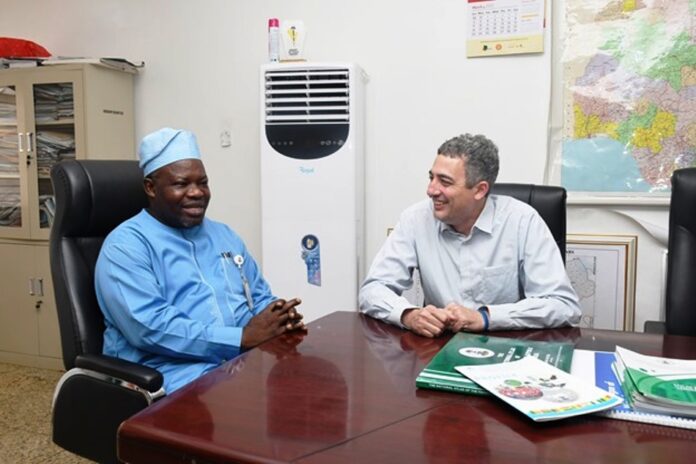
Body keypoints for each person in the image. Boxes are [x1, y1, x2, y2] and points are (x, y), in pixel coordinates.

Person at [95, 127, 305, 392]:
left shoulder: (224, 234)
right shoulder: (126, 246)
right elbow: (149, 328)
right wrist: (241, 338)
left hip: (238, 360)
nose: (196, 192)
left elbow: (258, 295)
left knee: (304, 386)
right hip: (168, 373)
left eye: (202, 182)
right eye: (181, 184)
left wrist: (278, 315)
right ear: (151, 187)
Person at [359, 133, 580, 338]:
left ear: (480, 190)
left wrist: (485, 317)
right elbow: (373, 289)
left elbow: (563, 305)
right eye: (431, 178)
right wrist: (408, 315)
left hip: (504, 348)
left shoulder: (523, 221)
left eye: (444, 182)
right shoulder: (415, 219)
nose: (431, 190)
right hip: (438, 348)